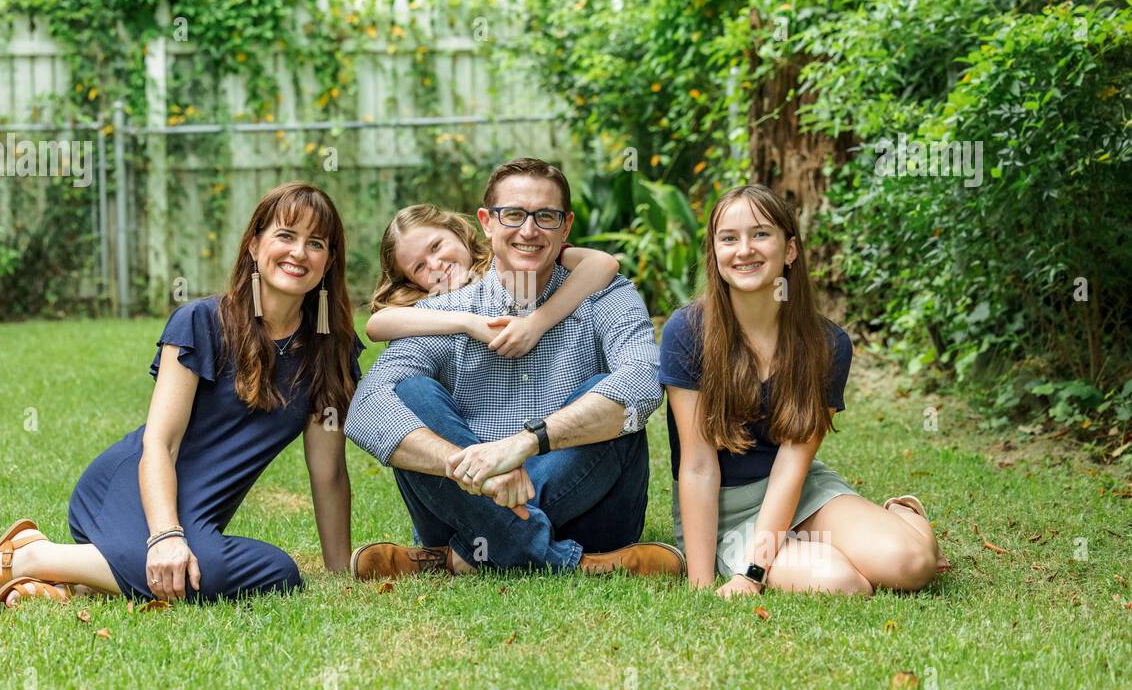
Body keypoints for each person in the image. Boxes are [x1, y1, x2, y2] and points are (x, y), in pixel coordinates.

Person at [0, 183, 363, 607]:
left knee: (278, 575)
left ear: (328, 261)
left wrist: (338, 572)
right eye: (286, 235)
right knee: (213, 571)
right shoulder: (201, 323)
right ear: (254, 244)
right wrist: (166, 535)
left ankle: (76, 579)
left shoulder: (329, 350)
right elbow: (160, 442)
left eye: (315, 243)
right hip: (132, 489)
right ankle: (30, 557)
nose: (299, 252)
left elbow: (328, 470)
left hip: (198, 519)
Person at [344, 157, 683, 579]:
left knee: (607, 390)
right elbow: (367, 410)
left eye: (545, 216)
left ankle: (461, 557)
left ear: (566, 226)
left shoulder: (605, 293)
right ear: (486, 222)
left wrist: (524, 445)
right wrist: (482, 473)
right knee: (409, 393)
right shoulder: (441, 312)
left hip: (589, 510)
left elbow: (643, 380)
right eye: (513, 215)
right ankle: (576, 563)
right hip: (469, 496)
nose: (528, 230)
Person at [661, 183, 950, 597]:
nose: (744, 249)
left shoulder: (828, 345)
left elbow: (791, 468)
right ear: (716, 254)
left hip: (802, 492)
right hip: (726, 510)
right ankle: (822, 551)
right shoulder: (687, 332)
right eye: (729, 238)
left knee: (912, 564)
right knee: (844, 585)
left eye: (760, 234)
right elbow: (698, 466)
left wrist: (753, 573)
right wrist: (702, 584)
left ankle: (902, 514)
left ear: (790, 249)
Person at [366, 203, 620, 358]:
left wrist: (536, 323)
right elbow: (377, 325)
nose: (435, 265)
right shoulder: (432, 299)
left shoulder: (510, 257)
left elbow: (602, 264)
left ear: (456, 232)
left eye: (436, 246)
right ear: (410, 281)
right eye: (419, 266)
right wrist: (469, 323)